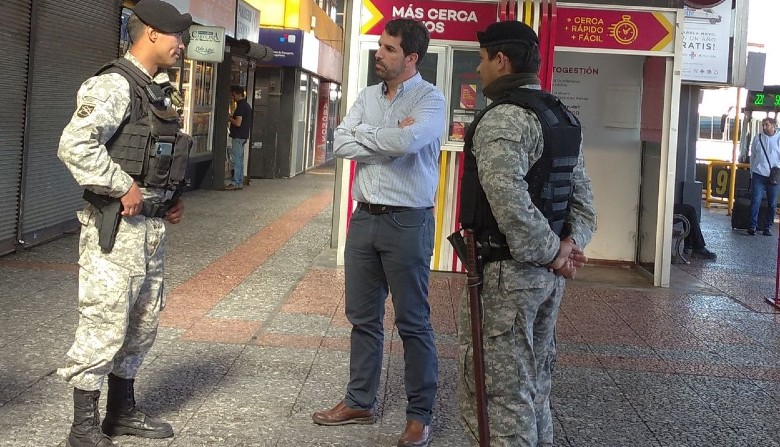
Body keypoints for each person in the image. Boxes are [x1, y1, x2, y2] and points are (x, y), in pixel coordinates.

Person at [56, 1, 191, 446]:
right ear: (150, 32)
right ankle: (83, 428)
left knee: (142, 323)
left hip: (150, 229)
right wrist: (120, 185)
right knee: (104, 323)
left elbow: (162, 152)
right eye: (176, 35)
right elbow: (75, 146)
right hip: (115, 228)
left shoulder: (161, 89)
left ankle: (122, 412)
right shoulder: (113, 84)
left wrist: (172, 198)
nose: (182, 44)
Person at [456, 21, 597, 446]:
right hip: (547, 280)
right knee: (535, 386)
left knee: (502, 394)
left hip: (508, 276)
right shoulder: (560, 115)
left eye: (482, 60)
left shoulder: (505, 119)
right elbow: (584, 201)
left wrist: (554, 252)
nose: (479, 70)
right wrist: (570, 247)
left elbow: (507, 198)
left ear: (501, 60)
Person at [311, 18, 445, 447]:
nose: (379, 55)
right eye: (380, 46)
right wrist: (385, 134)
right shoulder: (367, 96)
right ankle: (359, 401)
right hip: (364, 217)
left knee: (413, 322)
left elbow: (409, 144)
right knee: (362, 319)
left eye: (389, 49)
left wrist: (371, 137)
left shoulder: (431, 99)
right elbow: (340, 142)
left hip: (408, 221)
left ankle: (419, 415)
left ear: (411, 58)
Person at [748, 117, 780, 236]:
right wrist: (752, 171)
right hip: (758, 174)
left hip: (774, 175)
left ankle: (768, 227)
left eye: (767, 124)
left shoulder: (778, 139)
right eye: (763, 125)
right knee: (755, 201)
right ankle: (752, 226)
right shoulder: (758, 138)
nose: (764, 127)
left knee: (772, 203)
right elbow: (753, 156)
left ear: (773, 126)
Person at [227, 84, 252, 190]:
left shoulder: (241, 107)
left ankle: (236, 182)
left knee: (236, 159)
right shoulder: (246, 106)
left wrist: (229, 118)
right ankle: (239, 181)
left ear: (238, 94)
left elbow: (238, 123)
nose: (232, 98)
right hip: (243, 136)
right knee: (240, 160)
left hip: (238, 136)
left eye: (233, 95)